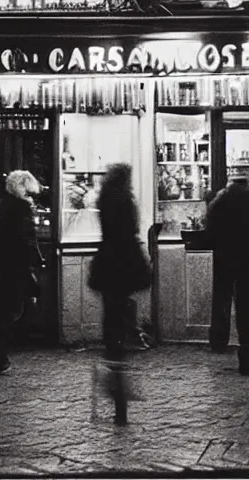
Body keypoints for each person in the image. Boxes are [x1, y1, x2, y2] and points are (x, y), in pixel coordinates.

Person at [89, 163, 151, 425]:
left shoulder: (104, 201)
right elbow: (130, 232)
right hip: (124, 265)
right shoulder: (126, 201)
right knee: (119, 317)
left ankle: (115, 369)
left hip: (108, 265)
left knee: (112, 318)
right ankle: (119, 389)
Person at [205, 176, 249, 375]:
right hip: (245, 258)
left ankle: (218, 340)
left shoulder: (220, 200)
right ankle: (245, 345)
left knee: (221, 299)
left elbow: (209, 226)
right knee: (244, 306)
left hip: (223, 257)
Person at [0, 170, 44, 375]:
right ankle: (1, 355)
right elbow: (27, 238)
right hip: (18, 266)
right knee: (18, 310)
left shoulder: (4, 205)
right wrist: (36, 260)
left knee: (6, 311)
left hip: (3, 264)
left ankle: (1, 354)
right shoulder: (22, 207)